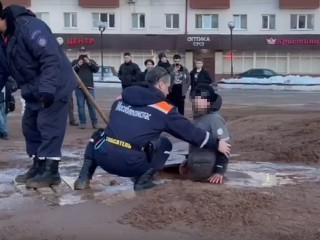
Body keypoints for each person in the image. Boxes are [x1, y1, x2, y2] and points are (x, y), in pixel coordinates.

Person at [73, 67, 231, 191]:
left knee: (98, 135)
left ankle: (83, 178)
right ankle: (142, 182)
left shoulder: (120, 100)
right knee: (164, 144)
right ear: (161, 85)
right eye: (168, 87)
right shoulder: (163, 109)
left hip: (104, 158)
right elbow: (189, 132)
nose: (168, 91)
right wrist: (216, 143)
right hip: (129, 165)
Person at [0, 3, 77, 188]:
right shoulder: (3, 39)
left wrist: (48, 88)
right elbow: (1, 71)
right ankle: (38, 166)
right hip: (32, 89)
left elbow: (50, 58)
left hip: (54, 86)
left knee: (48, 126)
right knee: (30, 127)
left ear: (1, 18)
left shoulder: (29, 27)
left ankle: (51, 171)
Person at [179, 84, 229, 184]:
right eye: (196, 99)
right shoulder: (198, 119)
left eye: (202, 99)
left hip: (208, 169)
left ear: (210, 102)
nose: (197, 102)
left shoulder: (214, 119)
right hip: (197, 166)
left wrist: (219, 171)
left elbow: (225, 147)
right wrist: (187, 161)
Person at [72, 46, 99, 129]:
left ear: (87, 53)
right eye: (81, 52)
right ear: (78, 53)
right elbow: (71, 71)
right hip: (79, 88)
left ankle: (94, 123)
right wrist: (78, 65)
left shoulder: (91, 61)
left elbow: (96, 69)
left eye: (84, 52)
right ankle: (82, 123)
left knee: (91, 106)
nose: (82, 53)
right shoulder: (75, 62)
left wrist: (89, 62)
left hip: (90, 87)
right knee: (80, 106)